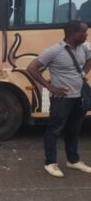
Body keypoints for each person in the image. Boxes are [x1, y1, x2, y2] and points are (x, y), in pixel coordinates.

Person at [27, 20, 91, 178]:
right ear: (73, 33)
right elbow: (31, 68)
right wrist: (50, 87)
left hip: (79, 96)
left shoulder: (84, 47)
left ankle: (73, 160)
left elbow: (90, 59)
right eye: (83, 32)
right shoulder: (54, 51)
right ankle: (50, 163)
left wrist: (83, 73)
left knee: (74, 129)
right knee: (54, 130)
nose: (86, 34)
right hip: (61, 98)